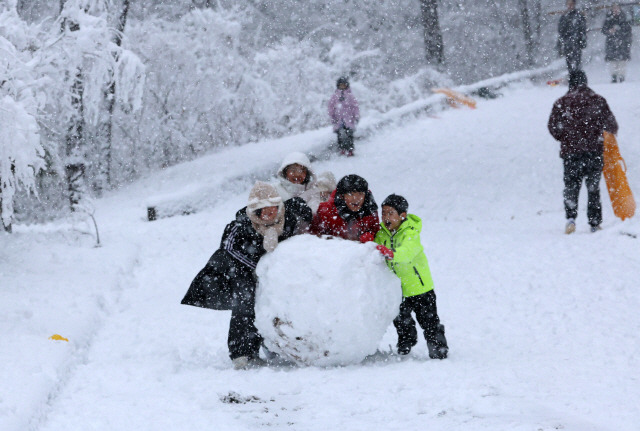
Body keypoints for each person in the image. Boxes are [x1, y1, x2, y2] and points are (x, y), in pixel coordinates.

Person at [181, 181, 312, 369]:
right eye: (263, 210)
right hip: (242, 271)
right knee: (246, 303)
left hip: (275, 272)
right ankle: (241, 353)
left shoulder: (289, 217)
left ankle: (276, 347)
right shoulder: (241, 225)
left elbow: (303, 213)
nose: (269, 214)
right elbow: (228, 249)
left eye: (272, 208)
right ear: (255, 212)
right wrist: (259, 263)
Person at [374, 194, 448, 359]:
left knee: (429, 322)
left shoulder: (411, 232)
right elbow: (374, 247)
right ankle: (406, 342)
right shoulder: (381, 234)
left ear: (402, 215)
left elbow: (407, 252)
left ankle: (438, 347)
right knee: (401, 321)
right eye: (383, 213)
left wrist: (391, 253)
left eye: (391, 213)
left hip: (420, 287)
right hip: (398, 289)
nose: (386, 217)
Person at [547, 70, 618, 234]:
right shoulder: (598, 101)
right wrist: (600, 136)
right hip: (594, 151)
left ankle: (571, 219)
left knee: (571, 186)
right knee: (593, 187)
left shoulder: (561, 102)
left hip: (571, 152)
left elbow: (552, 126)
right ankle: (594, 222)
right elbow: (612, 125)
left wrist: (564, 138)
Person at [311, 174, 379, 242]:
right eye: (351, 194)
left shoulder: (370, 210)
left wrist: (370, 236)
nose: (356, 199)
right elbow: (311, 235)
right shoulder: (325, 210)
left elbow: (376, 233)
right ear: (342, 196)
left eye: (360, 194)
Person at [328, 76, 360, 157]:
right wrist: (332, 117)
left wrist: (356, 116)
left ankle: (350, 150)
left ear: (347, 85)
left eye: (344, 85)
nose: (342, 87)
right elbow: (331, 107)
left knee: (349, 135)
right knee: (340, 135)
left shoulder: (350, 96)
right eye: (340, 85)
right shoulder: (335, 96)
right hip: (338, 120)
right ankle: (342, 148)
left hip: (349, 119)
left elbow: (355, 106)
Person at [602, 3, 633, 83]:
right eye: (614, 8)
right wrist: (609, 31)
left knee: (622, 61)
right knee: (612, 61)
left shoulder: (624, 18)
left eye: (617, 8)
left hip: (623, 43)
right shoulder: (608, 19)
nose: (615, 10)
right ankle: (614, 76)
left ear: (620, 8)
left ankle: (622, 77)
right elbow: (603, 30)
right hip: (611, 43)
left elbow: (628, 31)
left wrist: (621, 33)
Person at [558, 0, 587, 73]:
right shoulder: (564, 16)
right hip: (567, 43)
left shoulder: (579, 15)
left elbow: (583, 29)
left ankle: (577, 76)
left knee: (577, 61)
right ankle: (571, 76)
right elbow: (560, 30)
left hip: (577, 42)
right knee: (569, 62)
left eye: (571, 4)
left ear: (574, 4)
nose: (570, 6)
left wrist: (582, 40)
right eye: (568, 4)